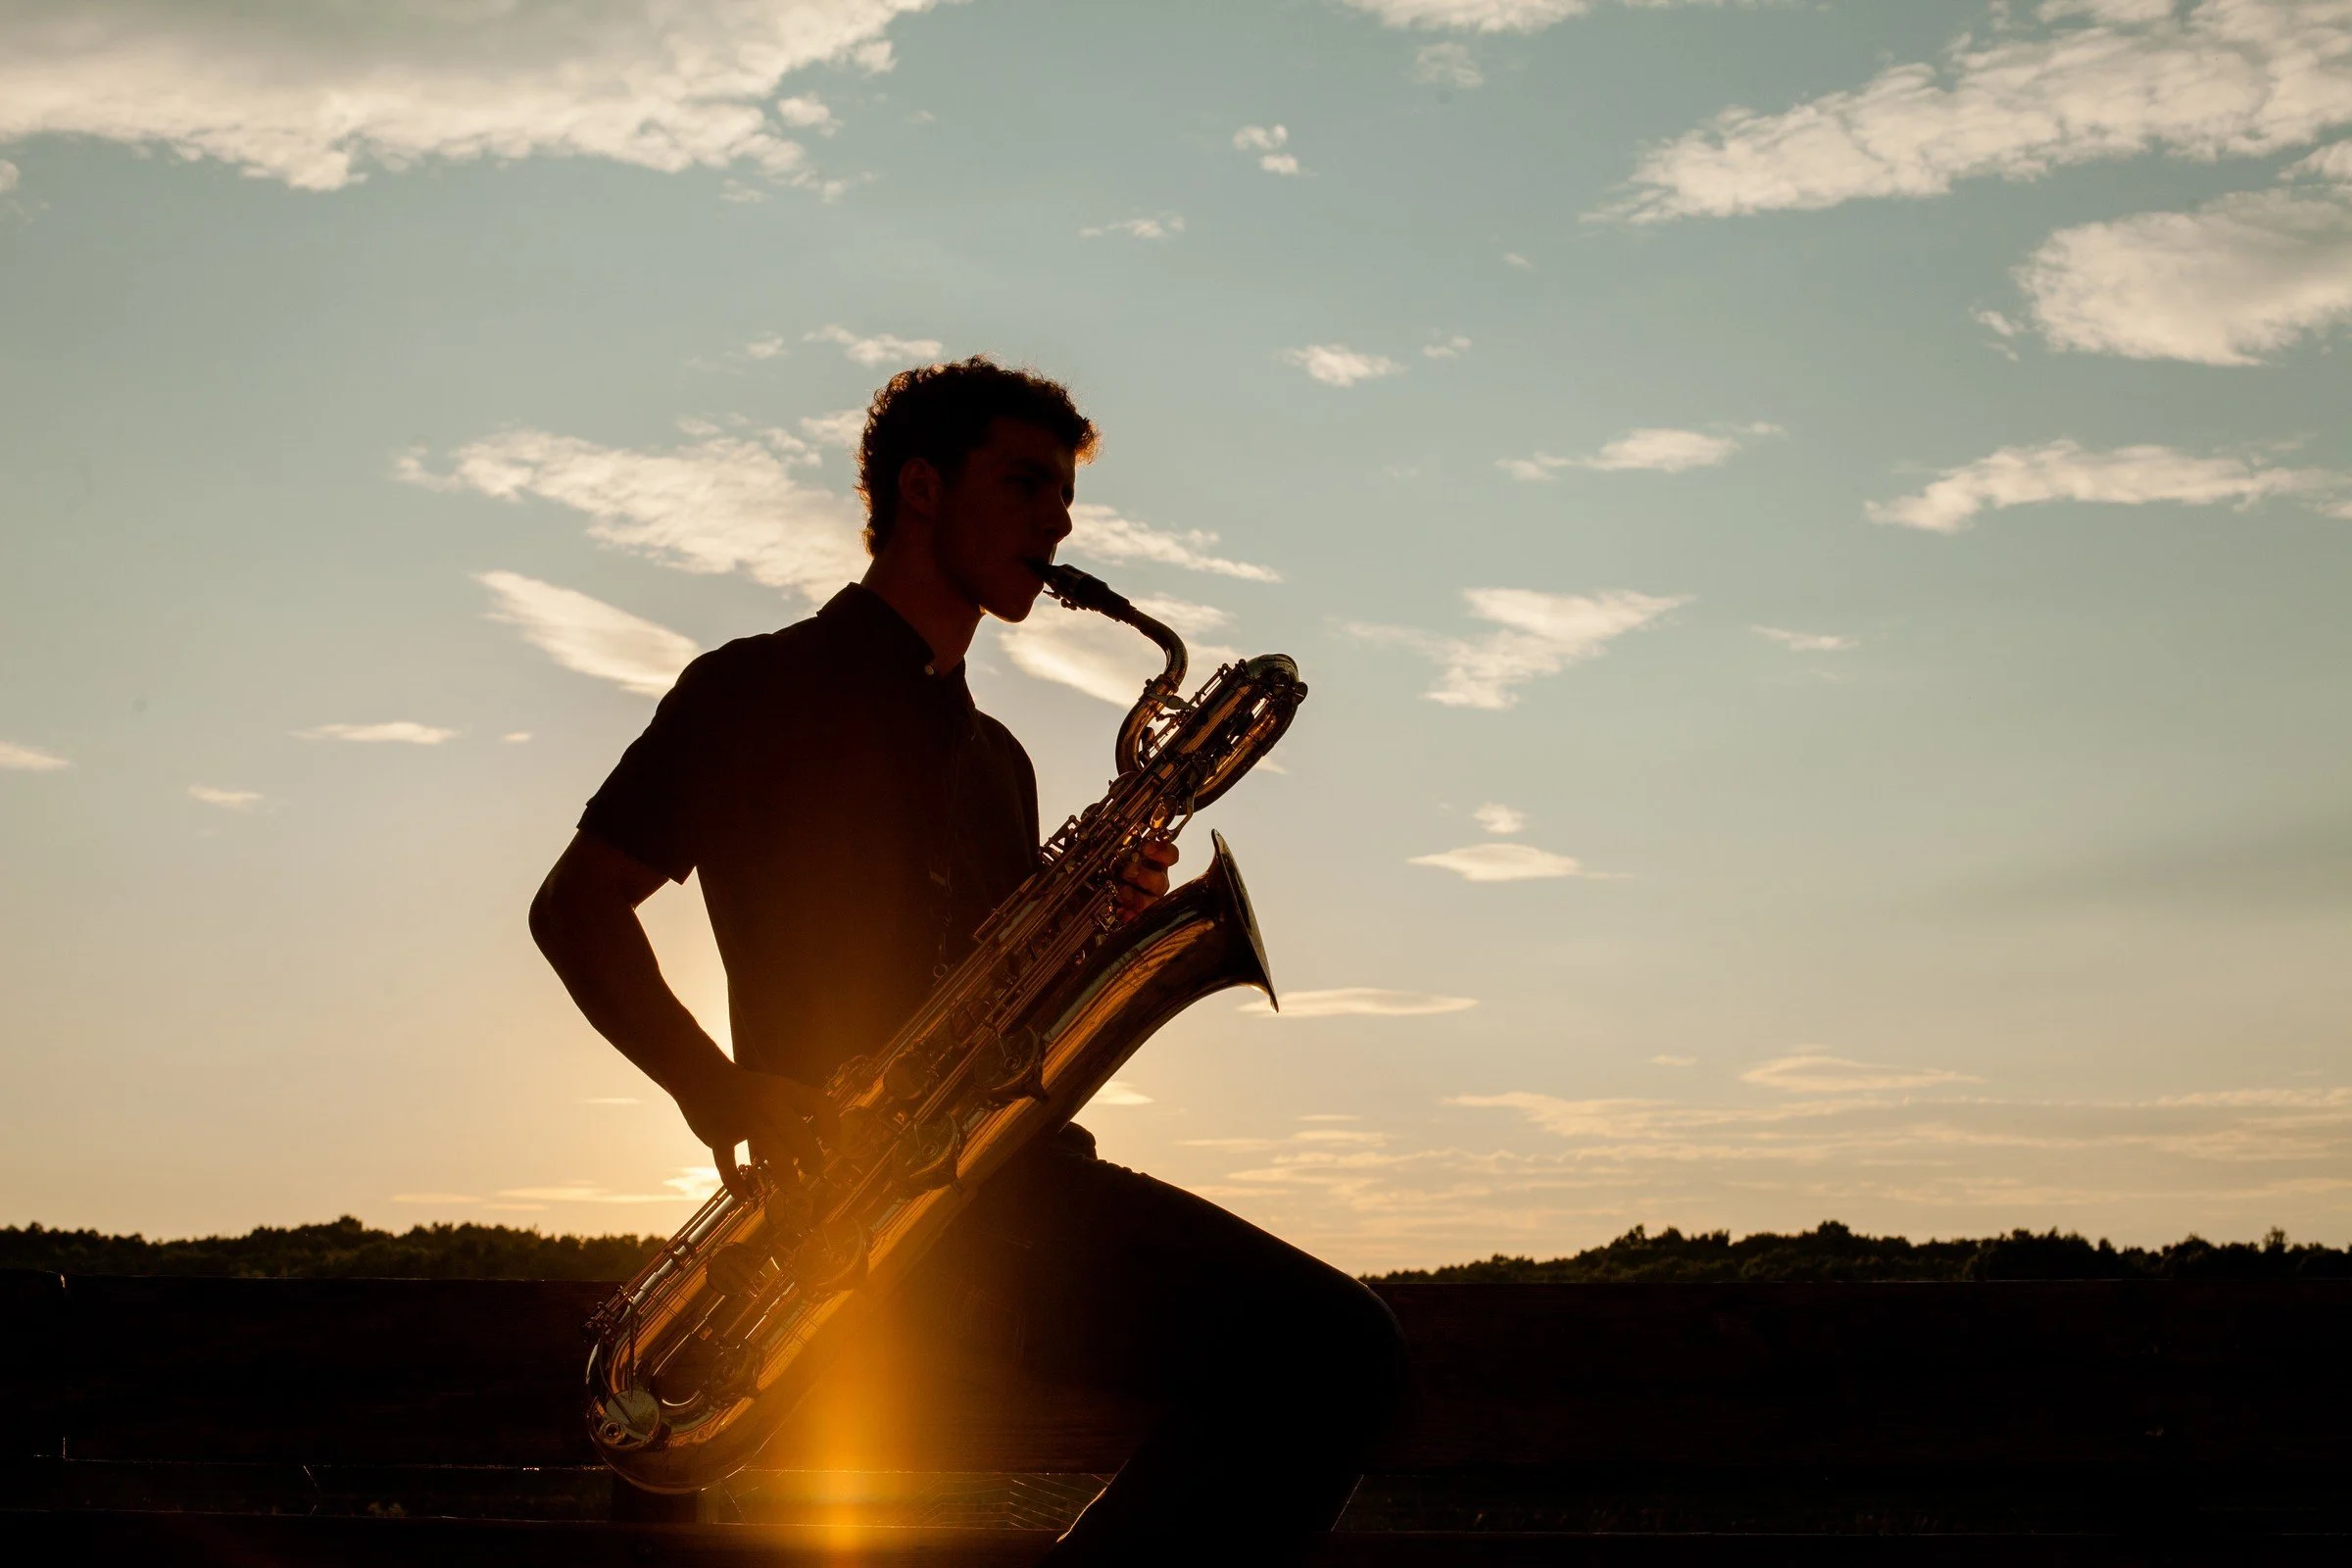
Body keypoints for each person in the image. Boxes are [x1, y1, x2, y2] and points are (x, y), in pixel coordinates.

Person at [529, 357, 1405, 1565]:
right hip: (838, 1212)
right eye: (1027, 483)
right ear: (923, 489)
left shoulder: (997, 759)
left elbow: (1010, 1005)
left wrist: (1104, 929)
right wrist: (716, 1089)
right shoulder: (748, 691)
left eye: (1066, 497)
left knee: (1339, 1351)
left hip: (999, 1200)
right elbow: (574, 910)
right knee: (1333, 1352)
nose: (1059, 522)